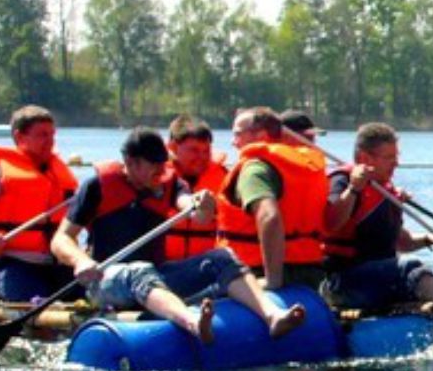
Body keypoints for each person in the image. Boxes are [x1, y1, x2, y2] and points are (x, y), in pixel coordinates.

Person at [49, 128, 305, 342]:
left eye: (163, 164)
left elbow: (195, 211)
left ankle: (272, 315)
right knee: (138, 270)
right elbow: (61, 239)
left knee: (221, 257)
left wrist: (201, 204)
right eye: (153, 165)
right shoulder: (97, 186)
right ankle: (192, 323)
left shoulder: (170, 184)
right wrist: (80, 261)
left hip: (155, 277)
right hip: (106, 281)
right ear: (131, 162)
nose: (161, 171)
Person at [322, 123, 433, 338]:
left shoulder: (385, 190)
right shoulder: (342, 181)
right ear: (366, 158)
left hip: (380, 278)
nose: (397, 163)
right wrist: (354, 188)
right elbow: (331, 223)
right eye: (389, 157)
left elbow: (402, 242)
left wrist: (431, 239)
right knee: (411, 268)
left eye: (396, 156)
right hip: (346, 281)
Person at [0, 106, 80, 301]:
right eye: (42, 135)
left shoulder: (61, 174)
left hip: (57, 264)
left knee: (92, 297)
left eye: (52, 134)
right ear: (20, 137)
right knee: (29, 299)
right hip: (10, 263)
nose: (50, 141)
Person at [217, 107, 329, 290]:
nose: (233, 142)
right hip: (310, 271)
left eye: (237, 135)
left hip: (257, 271)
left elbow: (269, 217)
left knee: (189, 294)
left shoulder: (255, 169)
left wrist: (272, 280)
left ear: (260, 135)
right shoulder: (310, 169)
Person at [162, 114, 229, 263]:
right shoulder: (156, 176)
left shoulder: (225, 178)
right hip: (163, 265)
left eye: (206, 151)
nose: (202, 157)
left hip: (207, 267)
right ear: (173, 147)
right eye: (194, 150)